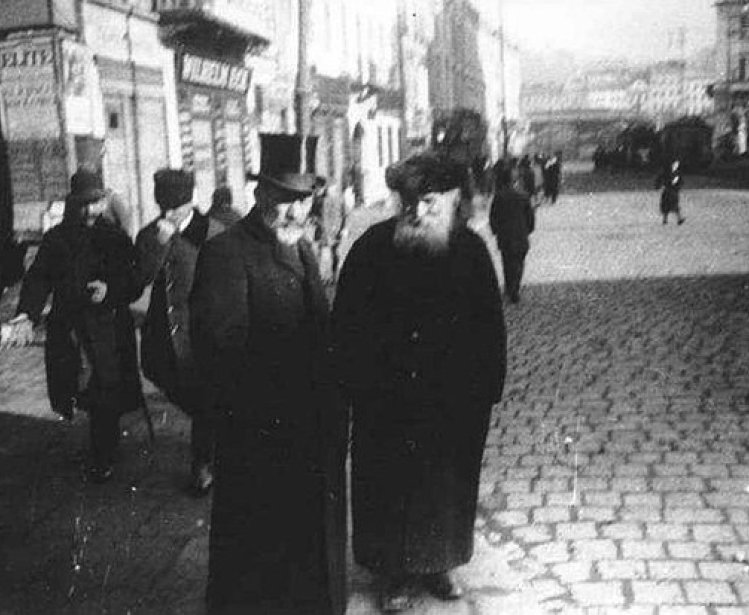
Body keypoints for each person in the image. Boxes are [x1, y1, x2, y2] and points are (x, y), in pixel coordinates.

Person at [332, 151, 506, 612]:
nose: (417, 211)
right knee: (386, 487)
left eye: (429, 202)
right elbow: (345, 322)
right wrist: (354, 382)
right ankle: (391, 573)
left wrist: (487, 386)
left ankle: (439, 565)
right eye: (408, 201)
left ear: (451, 200)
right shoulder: (371, 248)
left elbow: (489, 324)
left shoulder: (468, 251)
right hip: (385, 400)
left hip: (450, 402)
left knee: (444, 489)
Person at [189, 133, 347, 615]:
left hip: (307, 435)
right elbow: (220, 353)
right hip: (260, 441)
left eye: (305, 200)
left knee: (305, 556)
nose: (298, 212)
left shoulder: (299, 248)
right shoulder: (227, 254)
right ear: (259, 196)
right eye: (285, 200)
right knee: (257, 567)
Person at [1, 167, 142, 482]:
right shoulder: (56, 239)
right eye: (84, 204)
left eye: (96, 203)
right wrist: (27, 314)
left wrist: (111, 290)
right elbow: (38, 279)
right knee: (79, 387)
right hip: (71, 329)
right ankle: (102, 445)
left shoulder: (115, 239)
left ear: (104, 203)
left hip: (107, 327)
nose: (91, 211)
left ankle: (103, 453)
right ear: (72, 203)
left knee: (105, 389)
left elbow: (133, 281)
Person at [135, 169, 215, 495]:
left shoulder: (212, 233)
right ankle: (212, 429)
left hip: (201, 331)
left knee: (205, 398)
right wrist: (159, 245)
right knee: (163, 377)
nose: (170, 214)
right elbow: (140, 277)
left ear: (191, 201)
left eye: (177, 207)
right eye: (165, 207)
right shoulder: (148, 235)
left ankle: (203, 464)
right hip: (162, 335)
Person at [490, 162, 536, 304]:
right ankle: (514, 288)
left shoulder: (499, 196)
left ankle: (510, 288)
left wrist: (496, 231)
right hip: (521, 235)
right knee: (519, 262)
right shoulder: (523, 195)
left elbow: (493, 216)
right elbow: (530, 217)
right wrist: (528, 230)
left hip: (505, 236)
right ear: (513, 180)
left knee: (507, 262)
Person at [655, 158, 685, 225]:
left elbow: (680, 181)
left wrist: (678, 187)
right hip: (668, 190)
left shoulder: (676, 173)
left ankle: (679, 219)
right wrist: (659, 186)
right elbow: (660, 179)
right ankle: (665, 220)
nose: (676, 165)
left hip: (673, 191)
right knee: (666, 206)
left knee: (675, 205)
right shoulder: (667, 172)